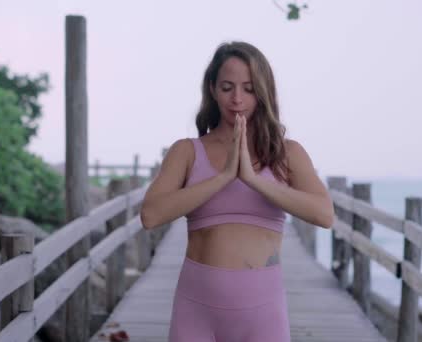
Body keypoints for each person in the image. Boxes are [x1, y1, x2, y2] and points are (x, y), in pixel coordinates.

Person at [140, 41, 334, 342]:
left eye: (249, 88)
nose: (237, 99)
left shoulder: (288, 153)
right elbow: (150, 216)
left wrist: (254, 179)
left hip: (263, 314)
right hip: (196, 311)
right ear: (212, 89)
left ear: (263, 91)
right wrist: (225, 176)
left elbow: (324, 215)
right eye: (228, 87)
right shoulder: (187, 152)